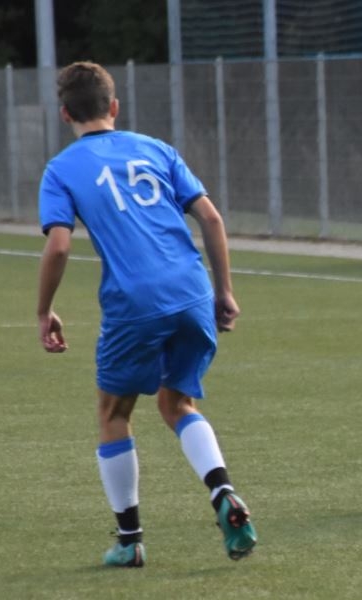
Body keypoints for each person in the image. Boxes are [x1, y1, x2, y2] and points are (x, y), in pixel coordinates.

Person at [36, 61, 257, 567]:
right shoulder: (157, 149)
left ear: (65, 114)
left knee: (114, 413)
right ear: (114, 107)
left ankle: (130, 541)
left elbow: (60, 246)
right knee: (177, 403)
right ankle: (222, 491)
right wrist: (224, 291)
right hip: (192, 290)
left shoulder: (61, 169)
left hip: (135, 301)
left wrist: (44, 310)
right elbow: (211, 217)